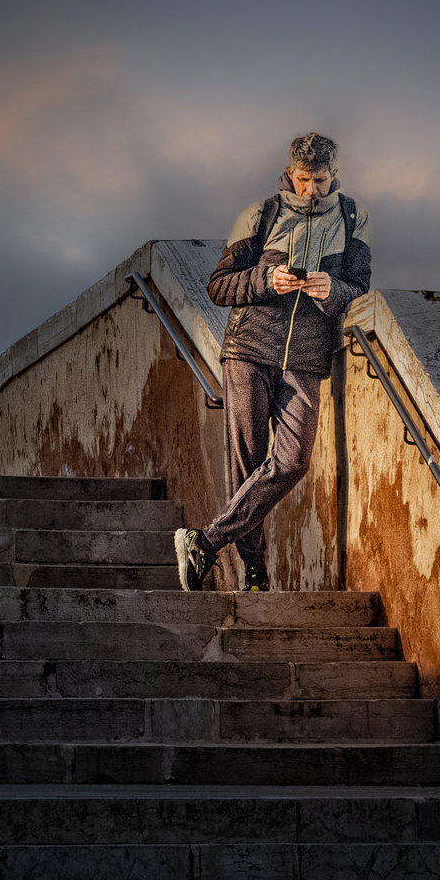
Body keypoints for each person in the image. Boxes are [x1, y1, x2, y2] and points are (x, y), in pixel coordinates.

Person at [175, 132, 372, 591]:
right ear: (290, 172)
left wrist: (333, 290)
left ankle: (204, 542)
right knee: (246, 464)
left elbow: (360, 287)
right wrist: (267, 279)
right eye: (303, 179)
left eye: (320, 180)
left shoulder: (352, 218)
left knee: (291, 462)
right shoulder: (260, 214)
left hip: (305, 357)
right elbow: (219, 286)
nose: (311, 190)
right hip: (248, 350)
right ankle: (256, 574)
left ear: (334, 174)